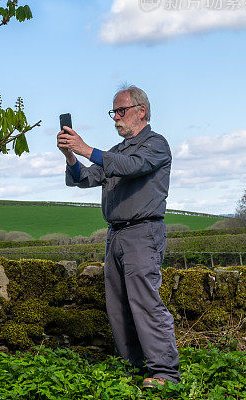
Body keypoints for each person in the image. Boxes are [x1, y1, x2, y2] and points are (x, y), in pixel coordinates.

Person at [57, 84, 180, 389]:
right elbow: (84, 179)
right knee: (118, 304)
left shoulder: (156, 145)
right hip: (116, 235)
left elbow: (132, 167)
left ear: (142, 111)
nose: (115, 117)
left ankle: (164, 372)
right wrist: (72, 156)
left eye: (121, 110)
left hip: (143, 232)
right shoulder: (114, 152)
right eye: (113, 111)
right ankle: (133, 367)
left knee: (146, 302)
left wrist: (86, 149)